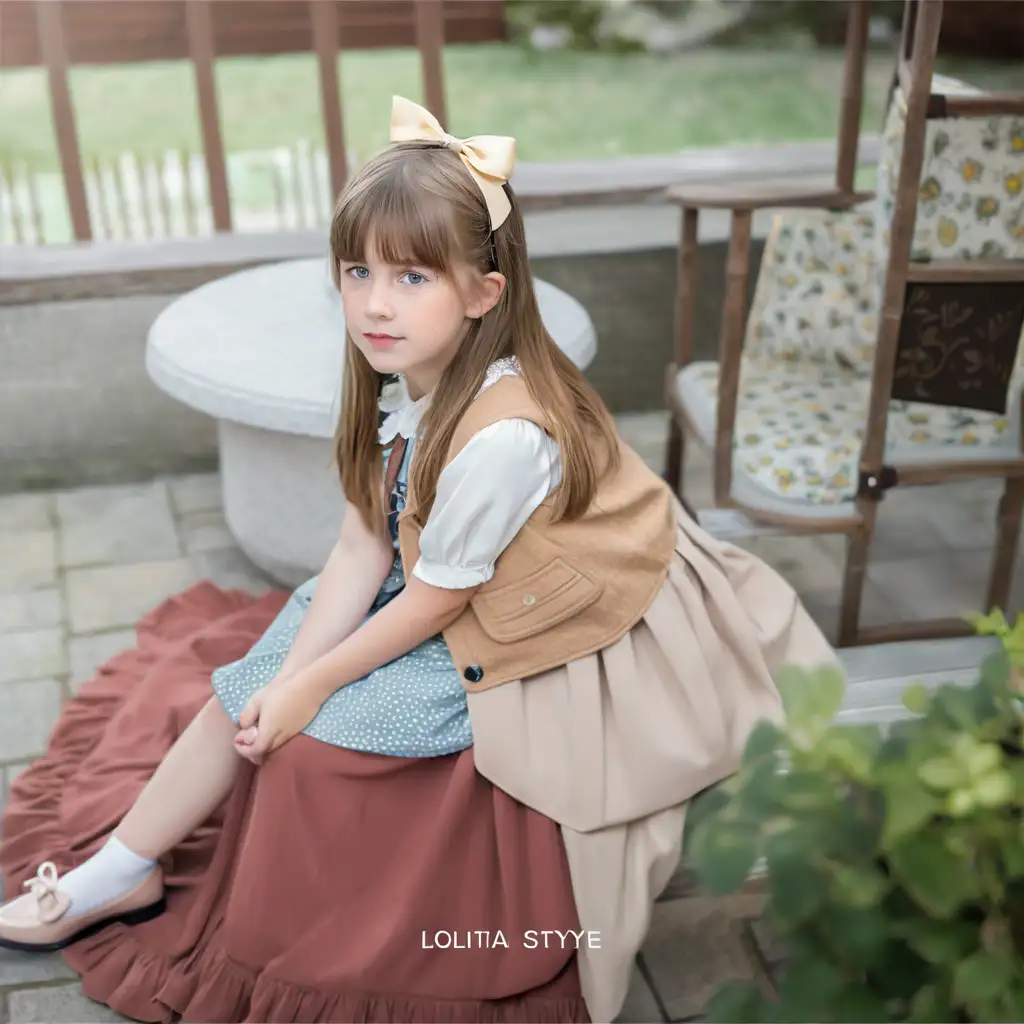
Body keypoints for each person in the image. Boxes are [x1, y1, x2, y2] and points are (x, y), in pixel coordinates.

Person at [0, 96, 835, 1023]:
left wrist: (315, 691)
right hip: (445, 581)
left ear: (484, 290)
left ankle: (255, 877)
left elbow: (440, 600)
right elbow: (364, 538)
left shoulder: (506, 437)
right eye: (356, 271)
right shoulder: (403, 376)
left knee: (310, 737)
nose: (374, 302)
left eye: (410, 277)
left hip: (539, 623)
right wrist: (293, 672)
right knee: (245, 690)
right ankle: (123, 868)